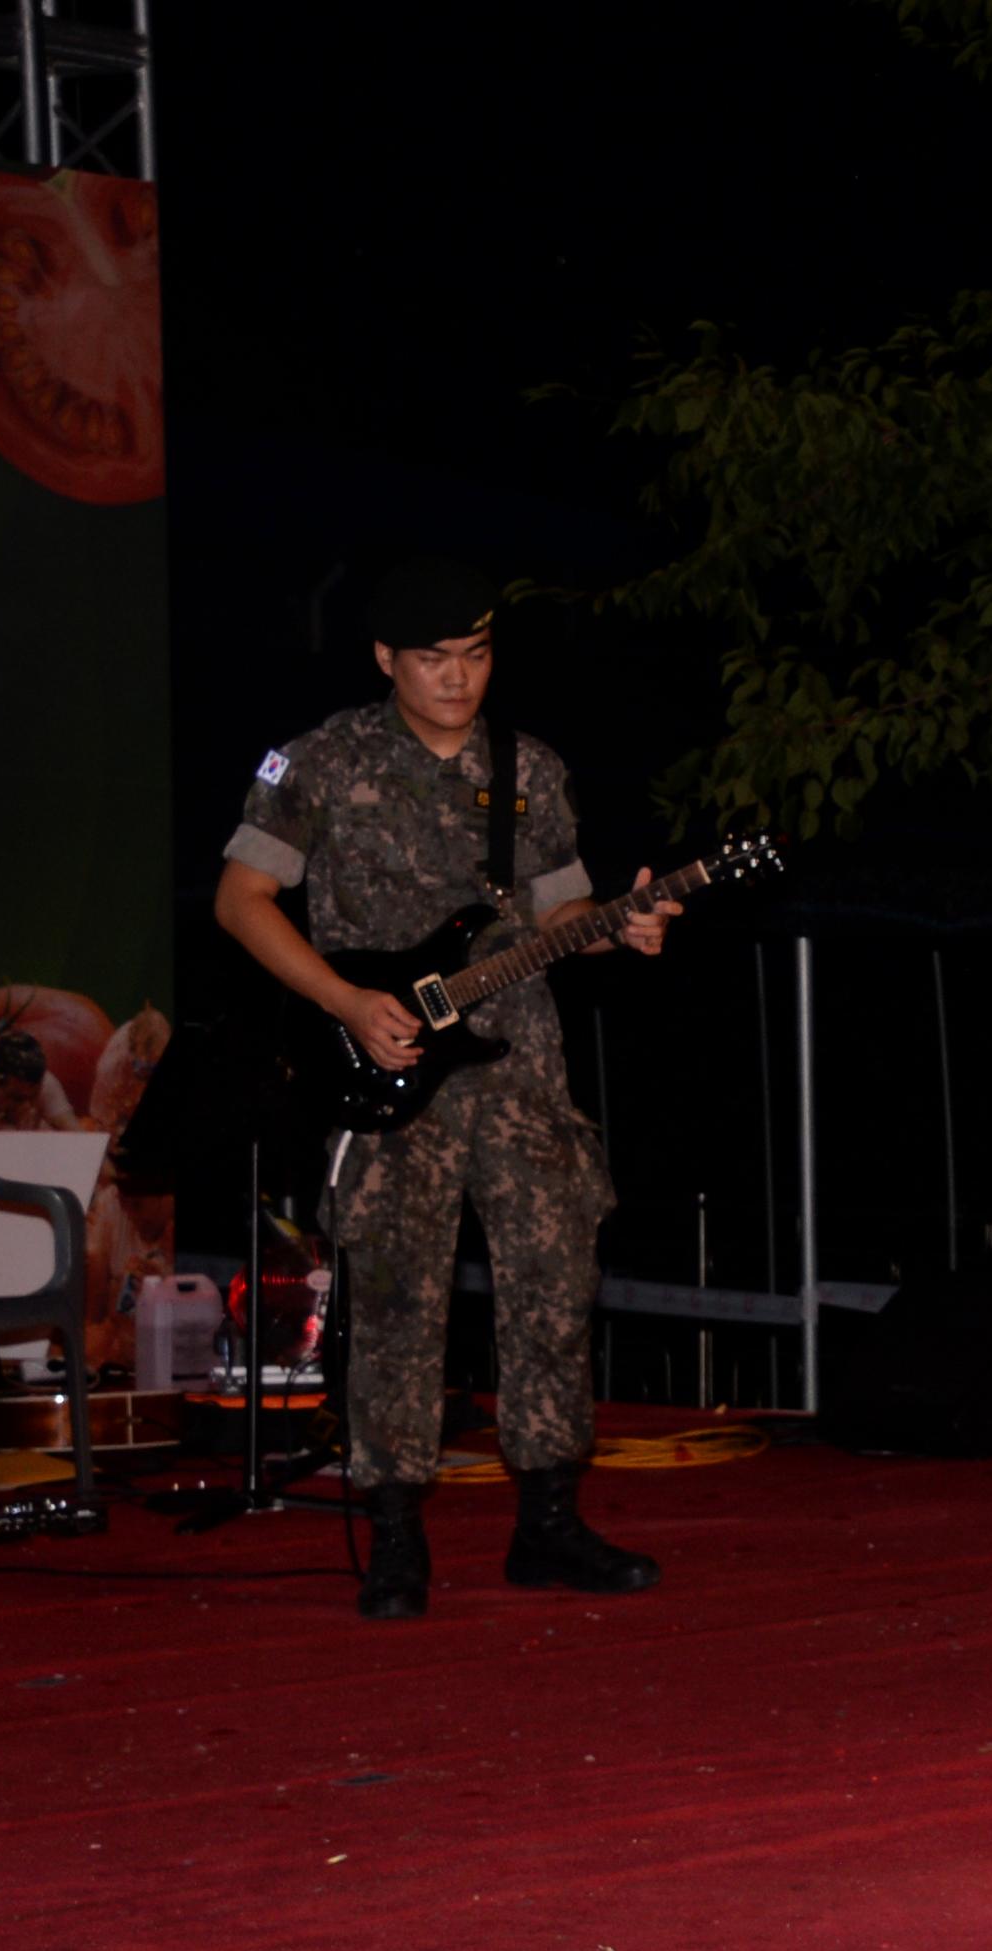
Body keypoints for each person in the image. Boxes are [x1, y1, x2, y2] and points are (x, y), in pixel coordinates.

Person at [214, 557, 675, 1621]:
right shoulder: (318, 762)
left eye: (473, 657)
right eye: (433, 660)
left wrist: (620, 926)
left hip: (519, 1066)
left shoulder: (532, 767)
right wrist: (342, 1000)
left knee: (555, 1285)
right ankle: (393, 1535)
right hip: (385, 1065)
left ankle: (550, 1521)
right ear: (386, 660)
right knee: (392, 1301)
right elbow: (243, 902)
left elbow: (559, 914)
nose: (457, 680)